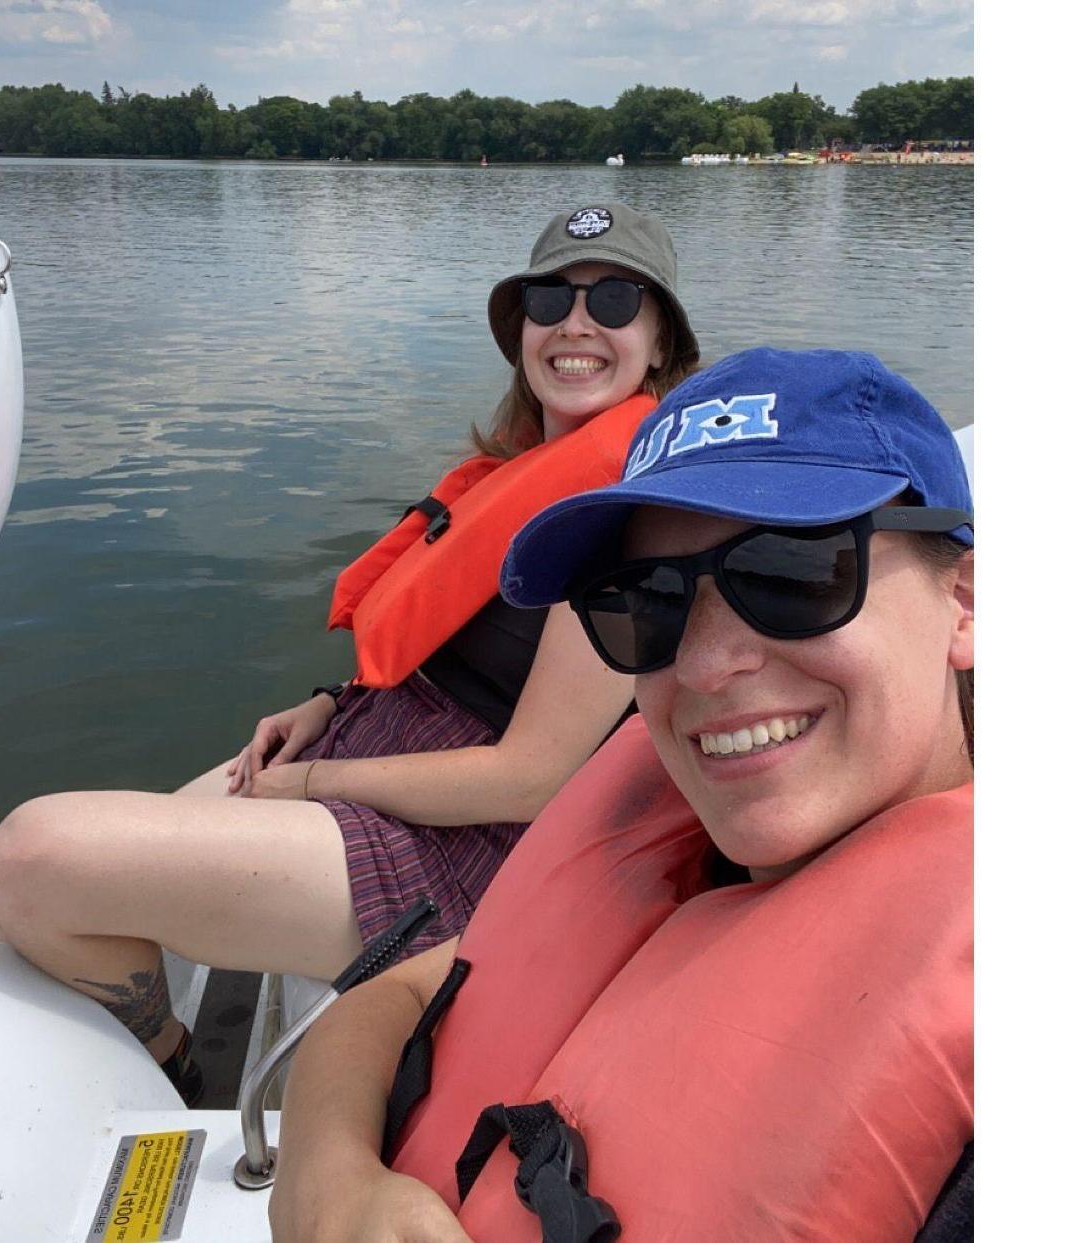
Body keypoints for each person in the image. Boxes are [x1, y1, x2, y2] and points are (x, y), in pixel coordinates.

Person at [0, 203, 701, 1104]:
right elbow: (439, 642)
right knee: (6, 917)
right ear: (522, 332)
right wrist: (329, 701)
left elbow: (531, 777)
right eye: (550, 299)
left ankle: (168, 1057)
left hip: (465, 850)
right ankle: (163, 1045)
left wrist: (310, 784)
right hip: (371, 746)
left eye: (617, 299)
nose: (576, 324)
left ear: (661, 337)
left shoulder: (628, 520)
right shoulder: (517, 474)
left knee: (30, 855)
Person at [269, 348, 974, 1242]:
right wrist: (331, 1180)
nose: (707, 665)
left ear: (968, 599)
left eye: (794, 573)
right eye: (646, 604)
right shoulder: (674, 823)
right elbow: (396, 995)